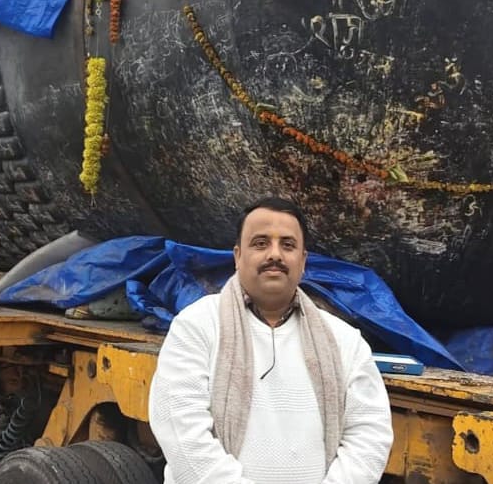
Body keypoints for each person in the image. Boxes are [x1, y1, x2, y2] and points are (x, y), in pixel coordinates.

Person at [149, 197, 393, 484]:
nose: (274, 254)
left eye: (287, 245)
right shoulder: (196, 327)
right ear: (238, 256)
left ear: (303, 261)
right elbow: (183, 434)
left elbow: (369, 435)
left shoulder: (344, 341)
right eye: (260, 243)